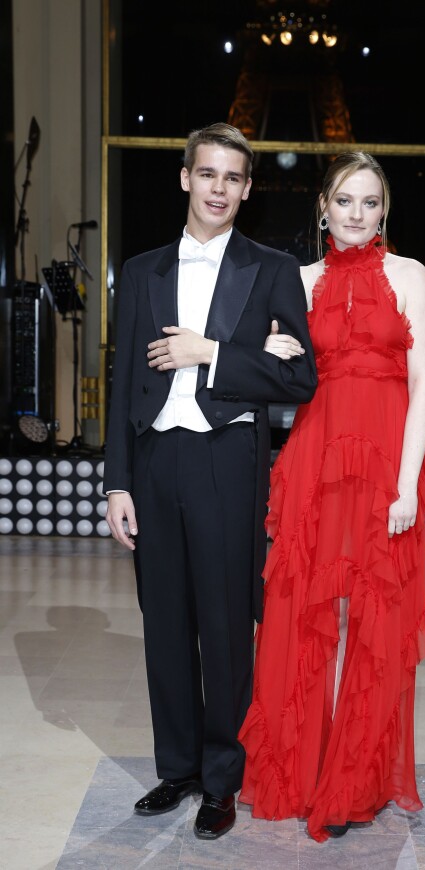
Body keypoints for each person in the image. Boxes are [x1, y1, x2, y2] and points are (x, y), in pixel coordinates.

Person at [103, 122, 316, 840]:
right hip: (156, 463)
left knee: (226, 628)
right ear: (185, 178)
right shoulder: (141, 271)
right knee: (165, 623)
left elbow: (300, 377)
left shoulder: (273, 269)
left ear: (246, 188)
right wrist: (117, 484)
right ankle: (179, 767)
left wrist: (213, 354)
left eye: (233, 178)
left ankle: (224, 777)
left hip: (228, 463)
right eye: (208, 174)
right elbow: (123, 377)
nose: (219, 188)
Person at [237, 152, 425, 842]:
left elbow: (424, 389)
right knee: (301, 609)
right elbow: (270, 364)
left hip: (386, 462)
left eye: (370, 202)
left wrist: (409, 482)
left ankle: (356, 780)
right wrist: (275, 350)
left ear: (385, 210)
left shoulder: (410, 275)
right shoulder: (296, 279)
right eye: (345, 200)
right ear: (322, 205)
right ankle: (296, 770)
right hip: (315, 459)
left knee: (378, 618)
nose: (357, 213)